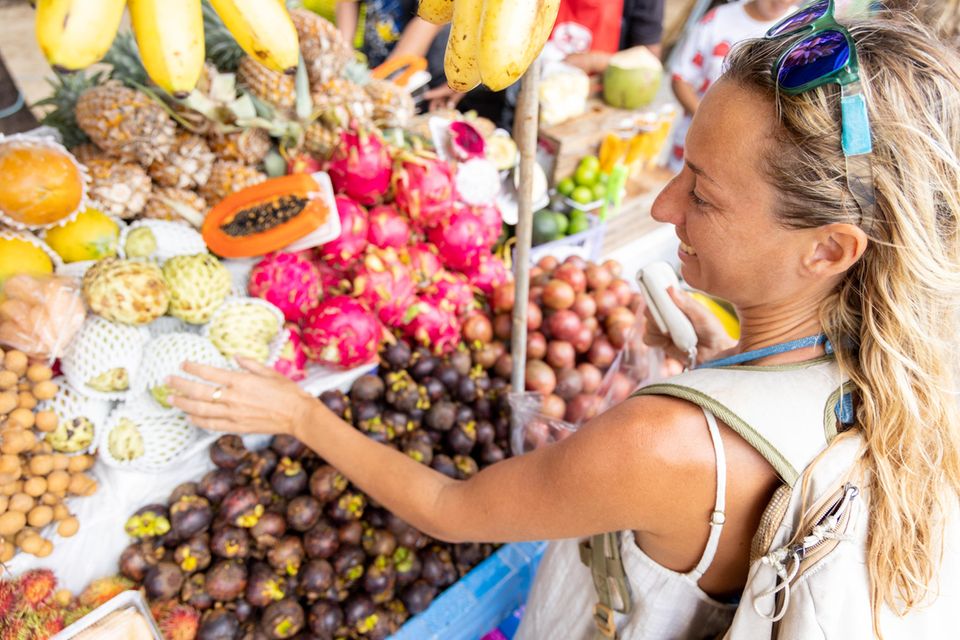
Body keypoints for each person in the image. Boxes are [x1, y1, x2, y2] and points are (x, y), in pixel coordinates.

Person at [167, 12, 960, 638]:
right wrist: (726, 364)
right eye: (680, 166)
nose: (661, 206)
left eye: (704, 194)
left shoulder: (662, 444)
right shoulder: (901, 365)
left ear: (829, 248)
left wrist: (297, 412)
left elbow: (449, 511)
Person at [423, 0, 665, 116]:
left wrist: (592, 62)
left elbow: (648, 60)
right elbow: (501, 33)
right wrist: (471, 77)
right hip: (517, 94)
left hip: (582, 108)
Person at [668, 0, 796, 172]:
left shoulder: (799, 30)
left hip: (746, 160)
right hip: (692, 143)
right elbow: (680, 78)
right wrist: (709, 121)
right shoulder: (718, 19)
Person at [335, 0, 442, 69]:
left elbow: (429, 20)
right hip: (373, 59)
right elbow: (347, 2)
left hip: (418, 70)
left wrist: (388, 72)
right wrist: (345, 47)